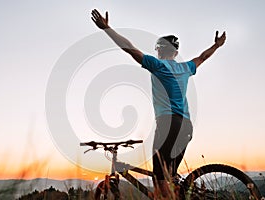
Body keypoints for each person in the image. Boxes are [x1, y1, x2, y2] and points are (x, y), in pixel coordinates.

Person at [91, 9, 226, 198]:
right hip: (186, 126)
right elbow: (203, 56)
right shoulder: (186, 68)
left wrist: (107, 29)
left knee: (159, 177)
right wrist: (217, 46)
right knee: (168, 177)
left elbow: (129, 48)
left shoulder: (158, 65)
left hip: (168, 123)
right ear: (176, 52)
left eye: (157, 49)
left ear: (160, 50)